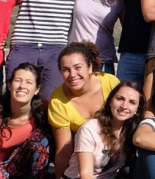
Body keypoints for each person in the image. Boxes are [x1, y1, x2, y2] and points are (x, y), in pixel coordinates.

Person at [50, 43, 122, 177]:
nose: (72, 75)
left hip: (118, 151)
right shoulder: (57, 100)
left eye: (78, 67)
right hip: (85, 160)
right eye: (66, 70)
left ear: (90, 67)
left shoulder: (110, 83)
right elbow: (63, 152)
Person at [0, 63, 52, 179]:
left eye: (29, 82)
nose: (22, 86)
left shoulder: (41, 112)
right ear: (10, 85)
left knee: (42, 140)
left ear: (36, 89)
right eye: (18, 81)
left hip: (17, 164)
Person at [65, 81, 144, 179]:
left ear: (137, 109)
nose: (124, 106)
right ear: (110, 101)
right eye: (120, 99)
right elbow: (85, 175)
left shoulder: (133, 131)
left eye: (132, 102)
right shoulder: (90, 129)